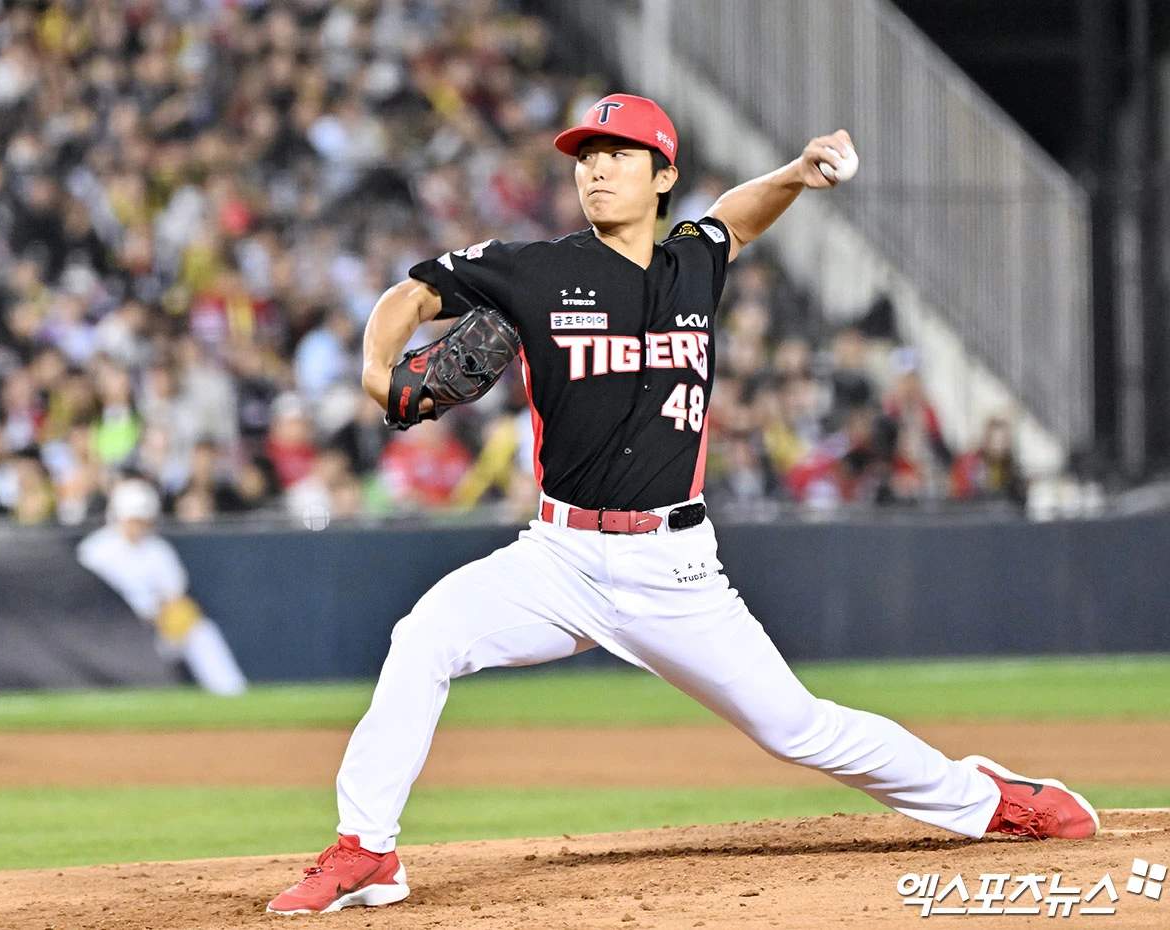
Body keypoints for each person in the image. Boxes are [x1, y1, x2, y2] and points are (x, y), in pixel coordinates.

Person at [267, 94, 1098, 916]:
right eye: (587, 156)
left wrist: (796, 174)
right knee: (424, 638)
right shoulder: (535, 269)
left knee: (799, 730)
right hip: (557, 558)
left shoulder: (692, 262)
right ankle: (368, 848)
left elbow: (735, 217)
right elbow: (411, 296)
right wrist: (377, 370)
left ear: (663, 175)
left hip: (673, 568)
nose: (596, 169)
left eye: (618, 154)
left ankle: (986, 798)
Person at [76, 478, 247, 696]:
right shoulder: (94, 551)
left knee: (200, 630)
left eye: (142, 520)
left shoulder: (158, 550)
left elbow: (174, 597)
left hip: (152, 629)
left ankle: (231, 692)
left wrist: (160, 616)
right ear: (117, 516)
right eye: (132, 520)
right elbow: (86, 600)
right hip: (108, 633)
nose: (137, 526)